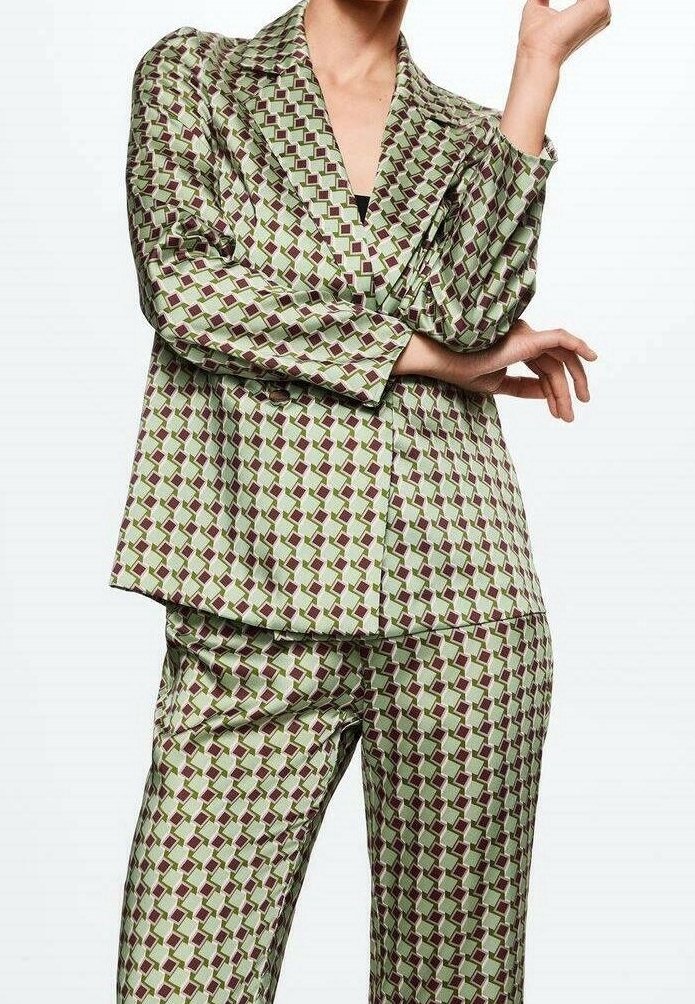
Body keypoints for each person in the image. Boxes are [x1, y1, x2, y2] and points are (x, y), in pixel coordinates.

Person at [111, 0, 610, 1000]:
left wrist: (536, 66)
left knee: (451, 987)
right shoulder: (195, 77)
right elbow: (187, 291)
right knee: (178, 976)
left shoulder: (466, 133)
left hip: (458, 602)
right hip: (247, 598)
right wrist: (422, 359)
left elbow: (474, 312)